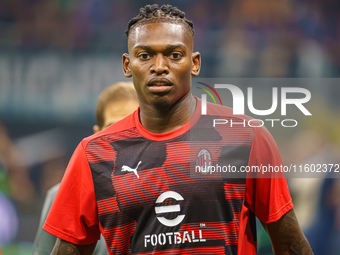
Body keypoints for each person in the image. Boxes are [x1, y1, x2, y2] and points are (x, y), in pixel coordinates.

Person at [44, 4, 313, 254]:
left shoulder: (246, 137)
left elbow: (290, 244)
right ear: (128, 65)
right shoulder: (93, 154)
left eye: (174, 55)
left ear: (194, 63)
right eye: (145, 55)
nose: (159, 67)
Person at [33, 82, 138, 255]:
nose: (121, 137)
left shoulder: (170, 192)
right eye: (112, 127)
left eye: (130, 127)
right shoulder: (60, 196)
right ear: (96, 135)